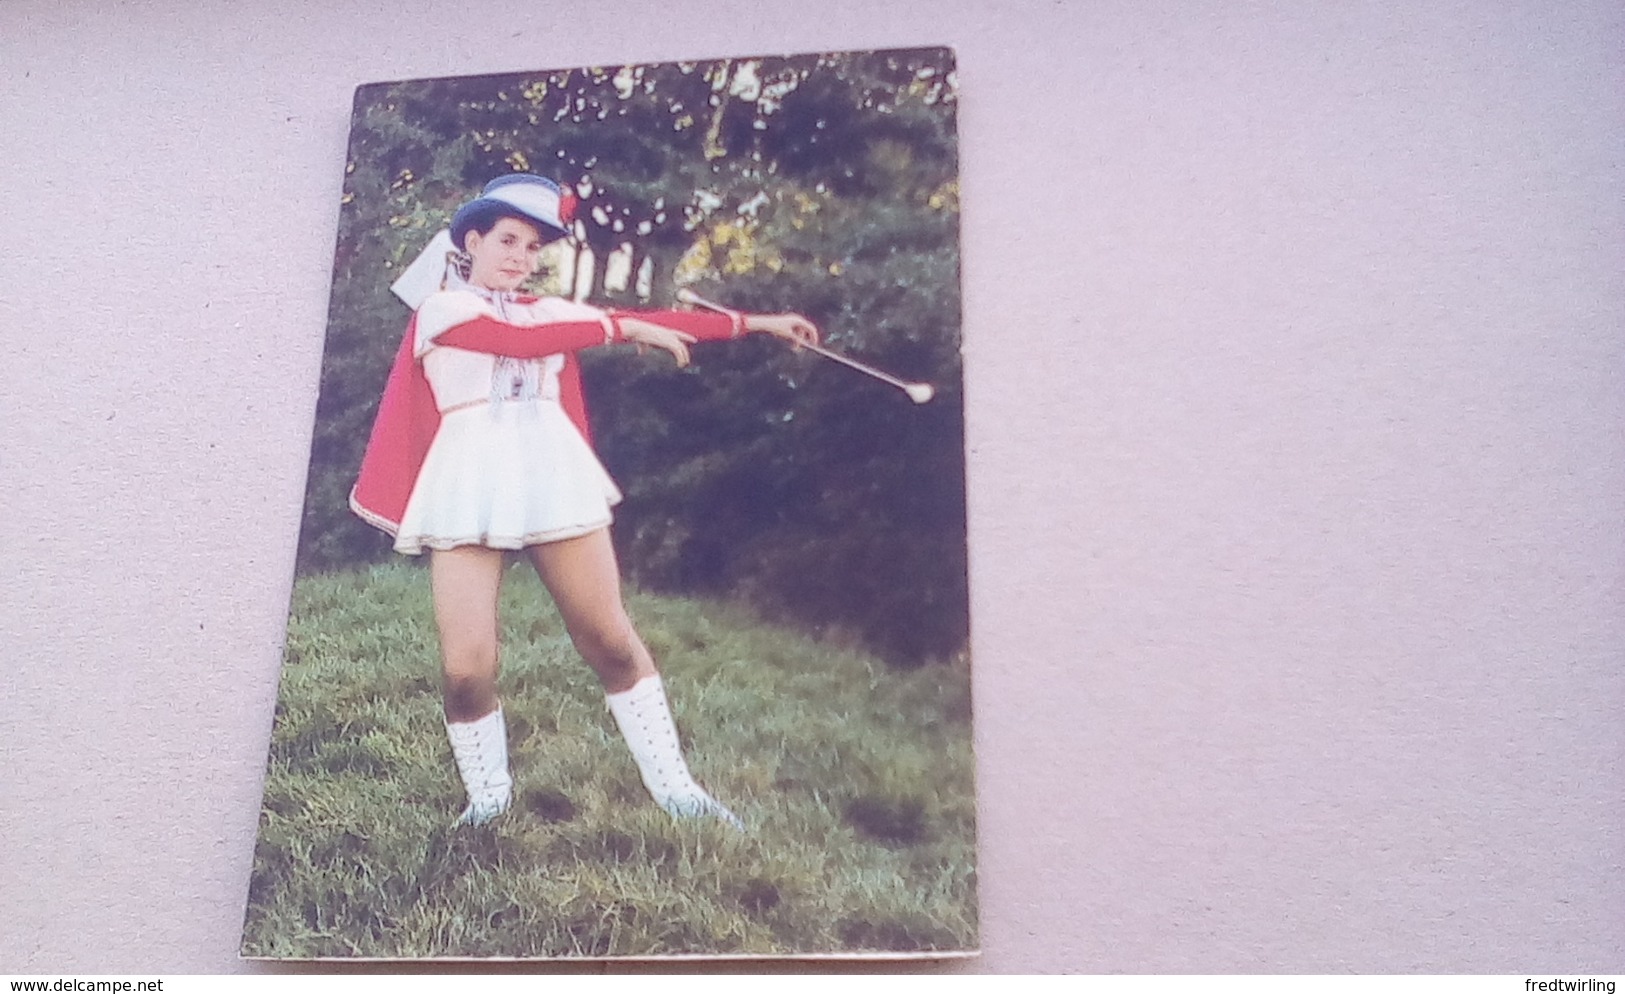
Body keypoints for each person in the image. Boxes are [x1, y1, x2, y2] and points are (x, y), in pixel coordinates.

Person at [349, 173, 818, 828]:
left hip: (549, 470)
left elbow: (649, 320)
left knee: (609, 638)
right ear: (472, 241)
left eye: (532, 246)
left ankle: (680, 793)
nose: (520, 256)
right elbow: (514, 344)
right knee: (465, 668)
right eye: (507, 240)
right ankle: (488, 800)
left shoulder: (548, 310)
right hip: (468, 480)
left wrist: (757, 324)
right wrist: (615, 332)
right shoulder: (441, 309)